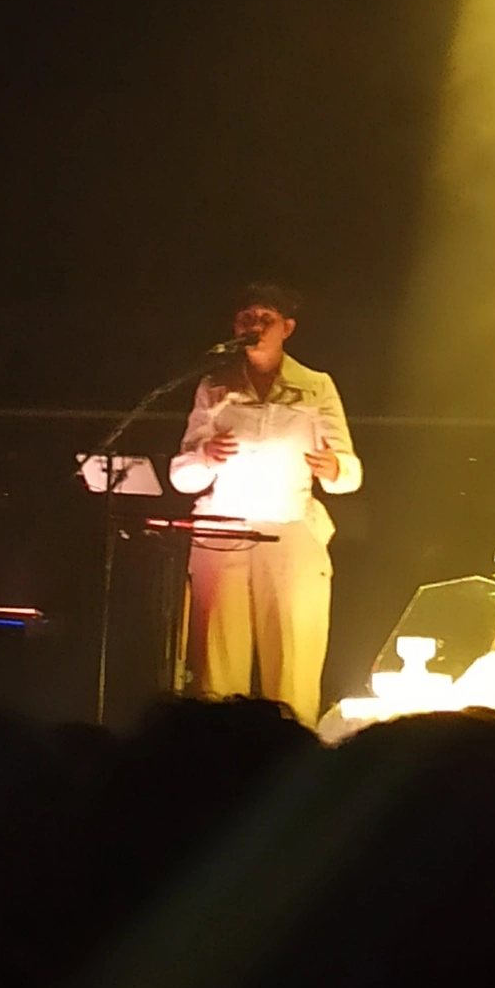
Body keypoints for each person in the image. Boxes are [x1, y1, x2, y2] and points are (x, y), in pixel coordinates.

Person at [169, 283, 361, 724]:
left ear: (287, 328)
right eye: (246, 319)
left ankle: (292, 754)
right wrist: (205, 456)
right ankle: (216, 752)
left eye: (265, 319)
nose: (254, 326)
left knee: (293, 657)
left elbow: (349, 470)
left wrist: (334, 467)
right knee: (216, 663)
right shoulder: (214, 385)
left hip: (289, 533)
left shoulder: (315, 386)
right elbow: (182, 475)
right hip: (222, 533)